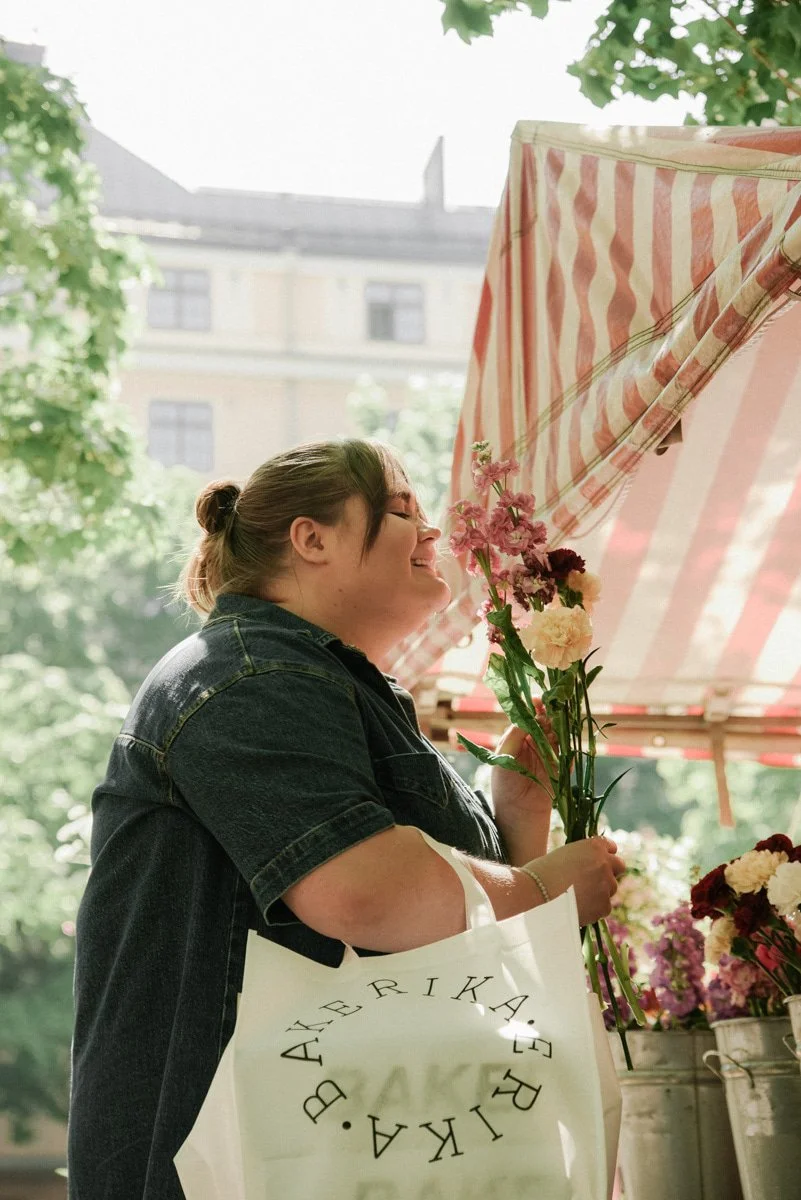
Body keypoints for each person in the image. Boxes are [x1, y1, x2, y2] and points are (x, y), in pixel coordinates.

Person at [67, 437, 624, 1200]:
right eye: (401, 510)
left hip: (348, 1147)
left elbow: (447, 934)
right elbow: (363, 894)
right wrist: (541, 892)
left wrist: (516, 812)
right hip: (232, 1162)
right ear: (311, 538)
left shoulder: (328, 685)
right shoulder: (248, 676)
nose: (431, 531)